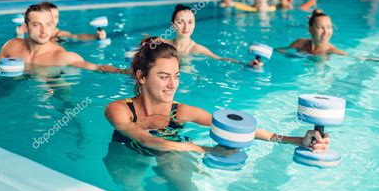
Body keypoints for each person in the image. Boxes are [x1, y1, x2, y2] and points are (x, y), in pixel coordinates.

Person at [105, 38, 329, 155]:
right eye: (164, 77)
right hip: (128, 154)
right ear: (142, 77)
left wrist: (298, 140)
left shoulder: (181, 111)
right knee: (131, 189)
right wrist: (206, 150)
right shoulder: (119, 110)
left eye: (176, 76)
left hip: (172, 151)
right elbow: (147, 140)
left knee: (185, 189)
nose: (173, 85)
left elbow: (235, 127)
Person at [0, 2, 127, 73]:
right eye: (37, 24)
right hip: (15, 86)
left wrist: (125, 72)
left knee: (64, 106)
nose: (44, 30)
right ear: (26, 28)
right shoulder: (11, 46)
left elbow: (98, 67)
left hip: (53, 85)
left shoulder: (62, 56)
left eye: (48, 24)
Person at [166, 4, 261, 66]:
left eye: (190, 22)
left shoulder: (196, 49)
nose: (186, 27)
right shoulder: (165, 44)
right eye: (181, 22)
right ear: (173, 25)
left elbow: (220, 59)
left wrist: (247, 64)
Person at [16, 2, 105, 42]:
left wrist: (95, 36)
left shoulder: (59, 34)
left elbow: (76, 36)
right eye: (50, 17)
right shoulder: (32, 31)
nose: (54, 20)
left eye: (56, 17)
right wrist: (19, 35)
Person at [276, 9, 347, 56]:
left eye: (329, 27)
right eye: (320, 27)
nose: (326, 32)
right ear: (310, 29)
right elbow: (281, 51)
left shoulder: (331, 51)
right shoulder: (300, 43)